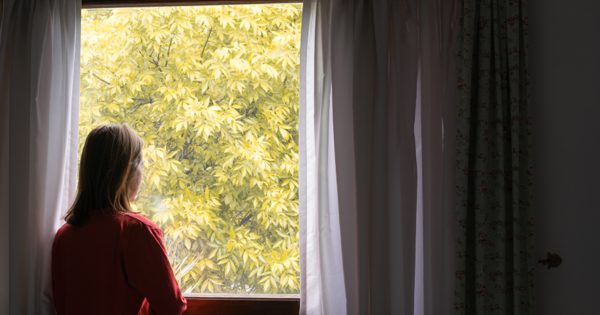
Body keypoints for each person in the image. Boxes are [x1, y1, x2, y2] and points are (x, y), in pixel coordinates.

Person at [51, 124, 187, 315]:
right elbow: (173, 307)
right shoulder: (138, 231)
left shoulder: (64, 236)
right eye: (142, 165)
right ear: (126, 172)